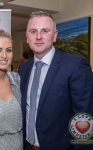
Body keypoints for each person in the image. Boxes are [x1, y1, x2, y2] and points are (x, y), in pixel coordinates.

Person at [18, 11, 93, 150]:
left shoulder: (76, 66)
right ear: (27, 37)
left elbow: (85, 118)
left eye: (45, 31)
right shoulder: (23, 68)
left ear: (55, 36)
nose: (39, 36)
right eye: (33, 31)